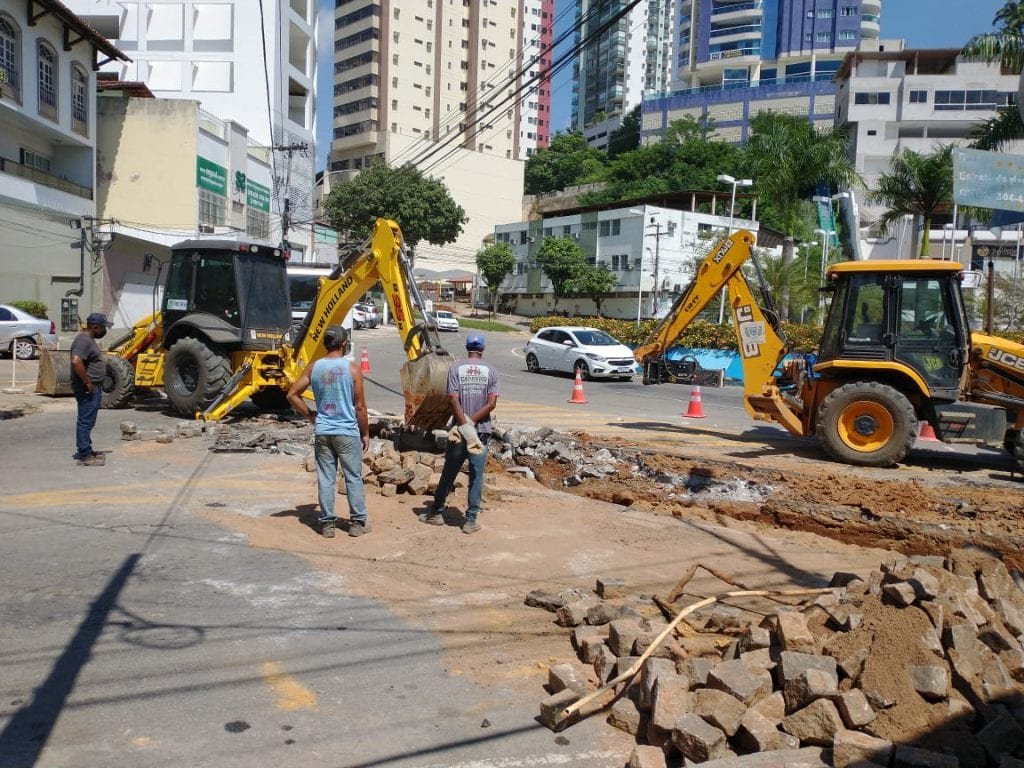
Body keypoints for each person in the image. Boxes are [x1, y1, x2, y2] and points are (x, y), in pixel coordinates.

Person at [286, 325, 371, 538]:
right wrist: (366, 433)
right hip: (347, 431)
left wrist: (310, 415)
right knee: (352, 476)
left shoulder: (315, 368)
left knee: (326, 478)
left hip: (323, 430)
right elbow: (360, 407)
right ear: (344, 344)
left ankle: (327, 525)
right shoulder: (352, 370)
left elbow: (292, 394)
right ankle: (357, 523)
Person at [419, 333, 499, 534]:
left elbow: (453, 401)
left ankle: (435, 512)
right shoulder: (491, 371)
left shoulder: (455, 368)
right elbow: (492, 404)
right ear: (483, 349)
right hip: (480, 433)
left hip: (458, 433)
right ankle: (470, 520)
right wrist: (472, 425)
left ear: (467, 348)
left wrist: (464, 425)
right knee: (476, 476)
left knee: (449, 472)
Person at [70, 312, 114, 466]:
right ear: (95, 327)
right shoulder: (83, 340)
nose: (105, 331)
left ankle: (87, 449)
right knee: (85, 421)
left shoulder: (87, 340)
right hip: (88, 388)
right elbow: (76, 361)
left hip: (93, 387)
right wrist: (87, 381)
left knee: (88, 420)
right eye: (104, 327)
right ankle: (85, 455)